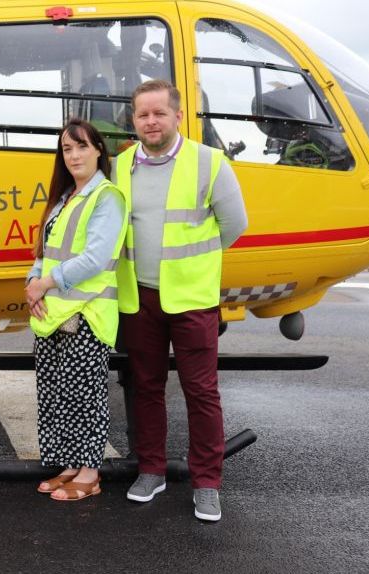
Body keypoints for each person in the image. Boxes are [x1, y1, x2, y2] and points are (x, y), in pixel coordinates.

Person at [115, 79, 248, 522]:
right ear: (133, 120)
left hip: (191, 298)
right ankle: (152, 470)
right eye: (142, 114)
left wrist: (195, 267)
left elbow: (234, 225)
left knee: (201, 391)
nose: (150, 121)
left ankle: (207, 483)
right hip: (141, 298)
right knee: (146, 387)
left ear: (177, 115)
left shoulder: (209, 163)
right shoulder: (120, 166)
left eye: (158, 113)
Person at [24, 118, 127, 501]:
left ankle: (90, 472)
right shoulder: (65, 198)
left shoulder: (106, 197)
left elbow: (96, 257)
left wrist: (45, 284)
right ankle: (69, 464)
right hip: (52, 314)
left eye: (82, 146)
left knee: (84, 394)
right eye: (67, 149)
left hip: (87, 313)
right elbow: (45, 253)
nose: (74, 155)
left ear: (99, 149)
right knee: (56, 392)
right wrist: (32, 287)